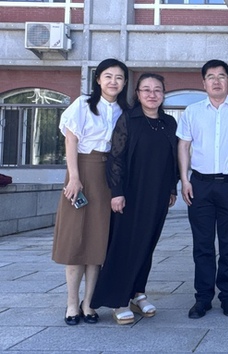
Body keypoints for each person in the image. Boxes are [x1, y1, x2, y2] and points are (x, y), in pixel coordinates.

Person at [90, 73, 179, 324]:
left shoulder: (169, 123)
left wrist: (172, 188)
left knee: (147, 243)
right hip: (130, 193)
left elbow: (173, 159)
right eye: (146, 90)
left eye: (157, 90)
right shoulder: (128, 119)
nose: (152, 94)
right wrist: (116, 192)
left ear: (163, 94)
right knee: (125, 244)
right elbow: (116, 158)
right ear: (137, 94)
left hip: (158, 194)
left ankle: (138, 293)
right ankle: (118, 299)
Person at [177, 59, 228, 319]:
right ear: (204, 83)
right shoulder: (192, 112)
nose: (216, 81)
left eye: (221, 76)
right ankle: (202, 298)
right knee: (202, 245)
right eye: (211, 77)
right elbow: (183, 146)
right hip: (199, 184)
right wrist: (185, 180)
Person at [52, 58, 129, 326]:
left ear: (124, 83)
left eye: (119, 77)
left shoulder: (124, 111)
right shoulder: (83, 104)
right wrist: (74, 177)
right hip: (82, 171)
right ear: (98, 79)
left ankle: (88, 304)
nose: (113, 82)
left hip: (108, 175)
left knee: (97, 241)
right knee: (75, 240)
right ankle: (72, 303)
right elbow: (71, 139)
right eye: (108, 76)